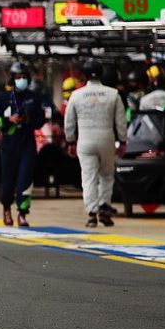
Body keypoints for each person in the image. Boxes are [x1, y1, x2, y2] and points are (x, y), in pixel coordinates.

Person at [65, 59, 127, 228]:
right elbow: (121, 121)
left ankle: (92, 213)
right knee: (107, 175)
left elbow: (69, 122)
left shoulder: (76, 95)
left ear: (84, 75)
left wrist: (70, 140)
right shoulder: (113, 94)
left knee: (88, 176)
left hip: (85, 139)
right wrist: (122, 140)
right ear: (101, 74)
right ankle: (105, 207)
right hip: (107, 138)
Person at [0, 62, 46, 227]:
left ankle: (22, 213)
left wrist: (29, 119)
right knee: (7, 181)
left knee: (25, 179)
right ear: (12, 79)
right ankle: (6, 209)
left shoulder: (34, 98)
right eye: (18, 77)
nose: (21, 80)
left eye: (24, 77)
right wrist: (9, 120)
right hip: (9, 145)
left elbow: (40, 120)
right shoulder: (2, 98)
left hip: (27, 144)